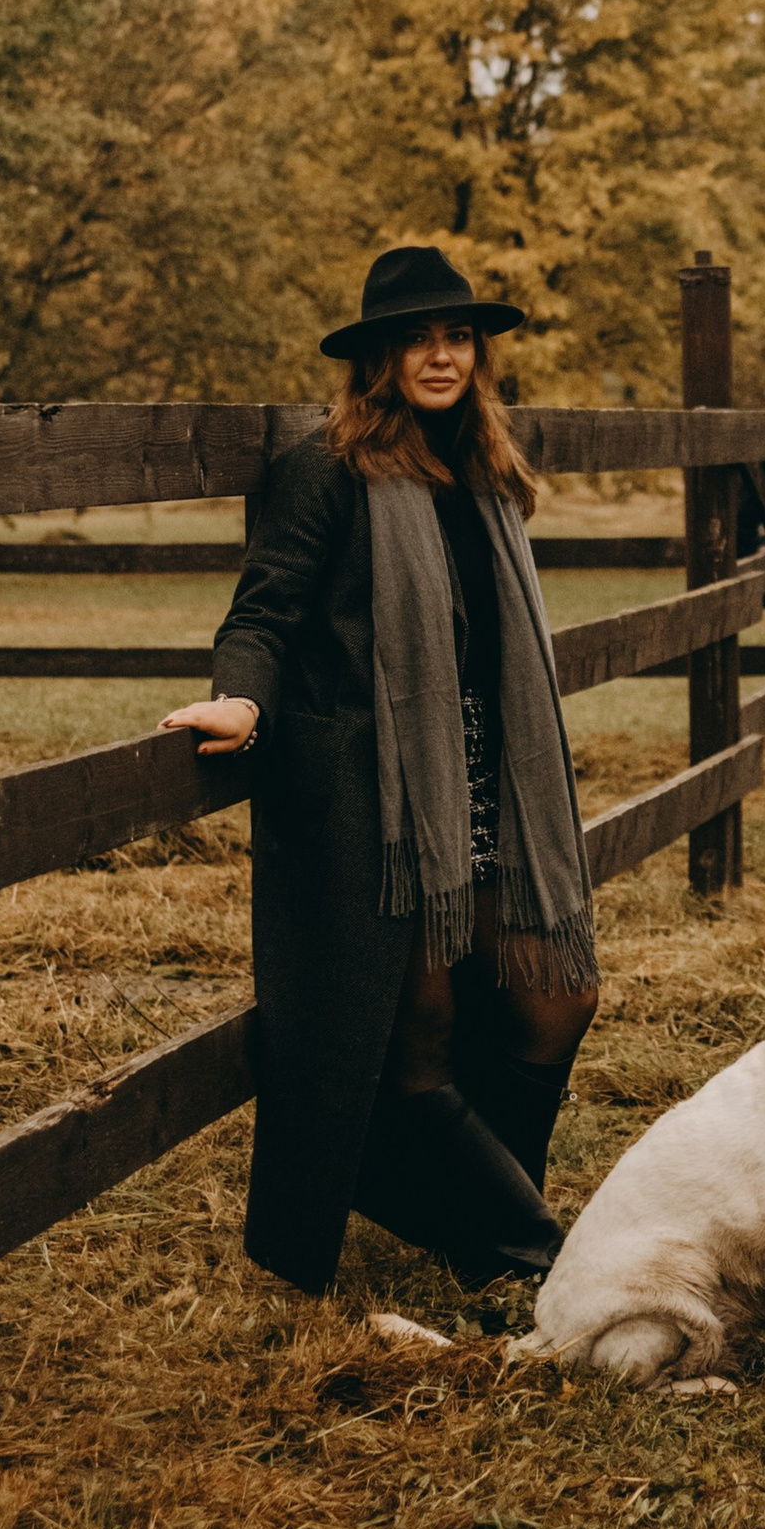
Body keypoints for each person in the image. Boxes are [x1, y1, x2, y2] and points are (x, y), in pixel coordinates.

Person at [162, 244, 598, 1298]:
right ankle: (520, 1247)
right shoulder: (328, 468)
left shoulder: (487, 468)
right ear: (378, 357)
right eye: (417, 338)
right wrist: (242, 694)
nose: (440, 355)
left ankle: (482, 1220)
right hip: (388, 795)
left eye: (457, 337)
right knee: (424, 1026)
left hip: (489, 779)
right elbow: (264, 608)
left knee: (557, 997)